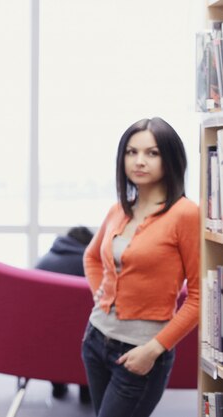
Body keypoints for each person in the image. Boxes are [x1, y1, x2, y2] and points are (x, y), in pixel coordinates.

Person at [82, 117, 199, 417]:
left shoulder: (185, 214)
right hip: (96, 340)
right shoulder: (119, 209)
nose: (139, 161)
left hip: (140, 352)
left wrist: (155, 348)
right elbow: (92, 258)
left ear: (170, 158)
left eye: (152, 153)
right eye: (131, 152)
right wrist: (103, 298)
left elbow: (200, 298)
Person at [35, 226, 93, 403]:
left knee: (56, 337)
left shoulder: (43, 262)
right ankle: (86, 388)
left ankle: (58, 385)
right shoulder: (90, 267)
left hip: (42, 340)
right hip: (83, 341)